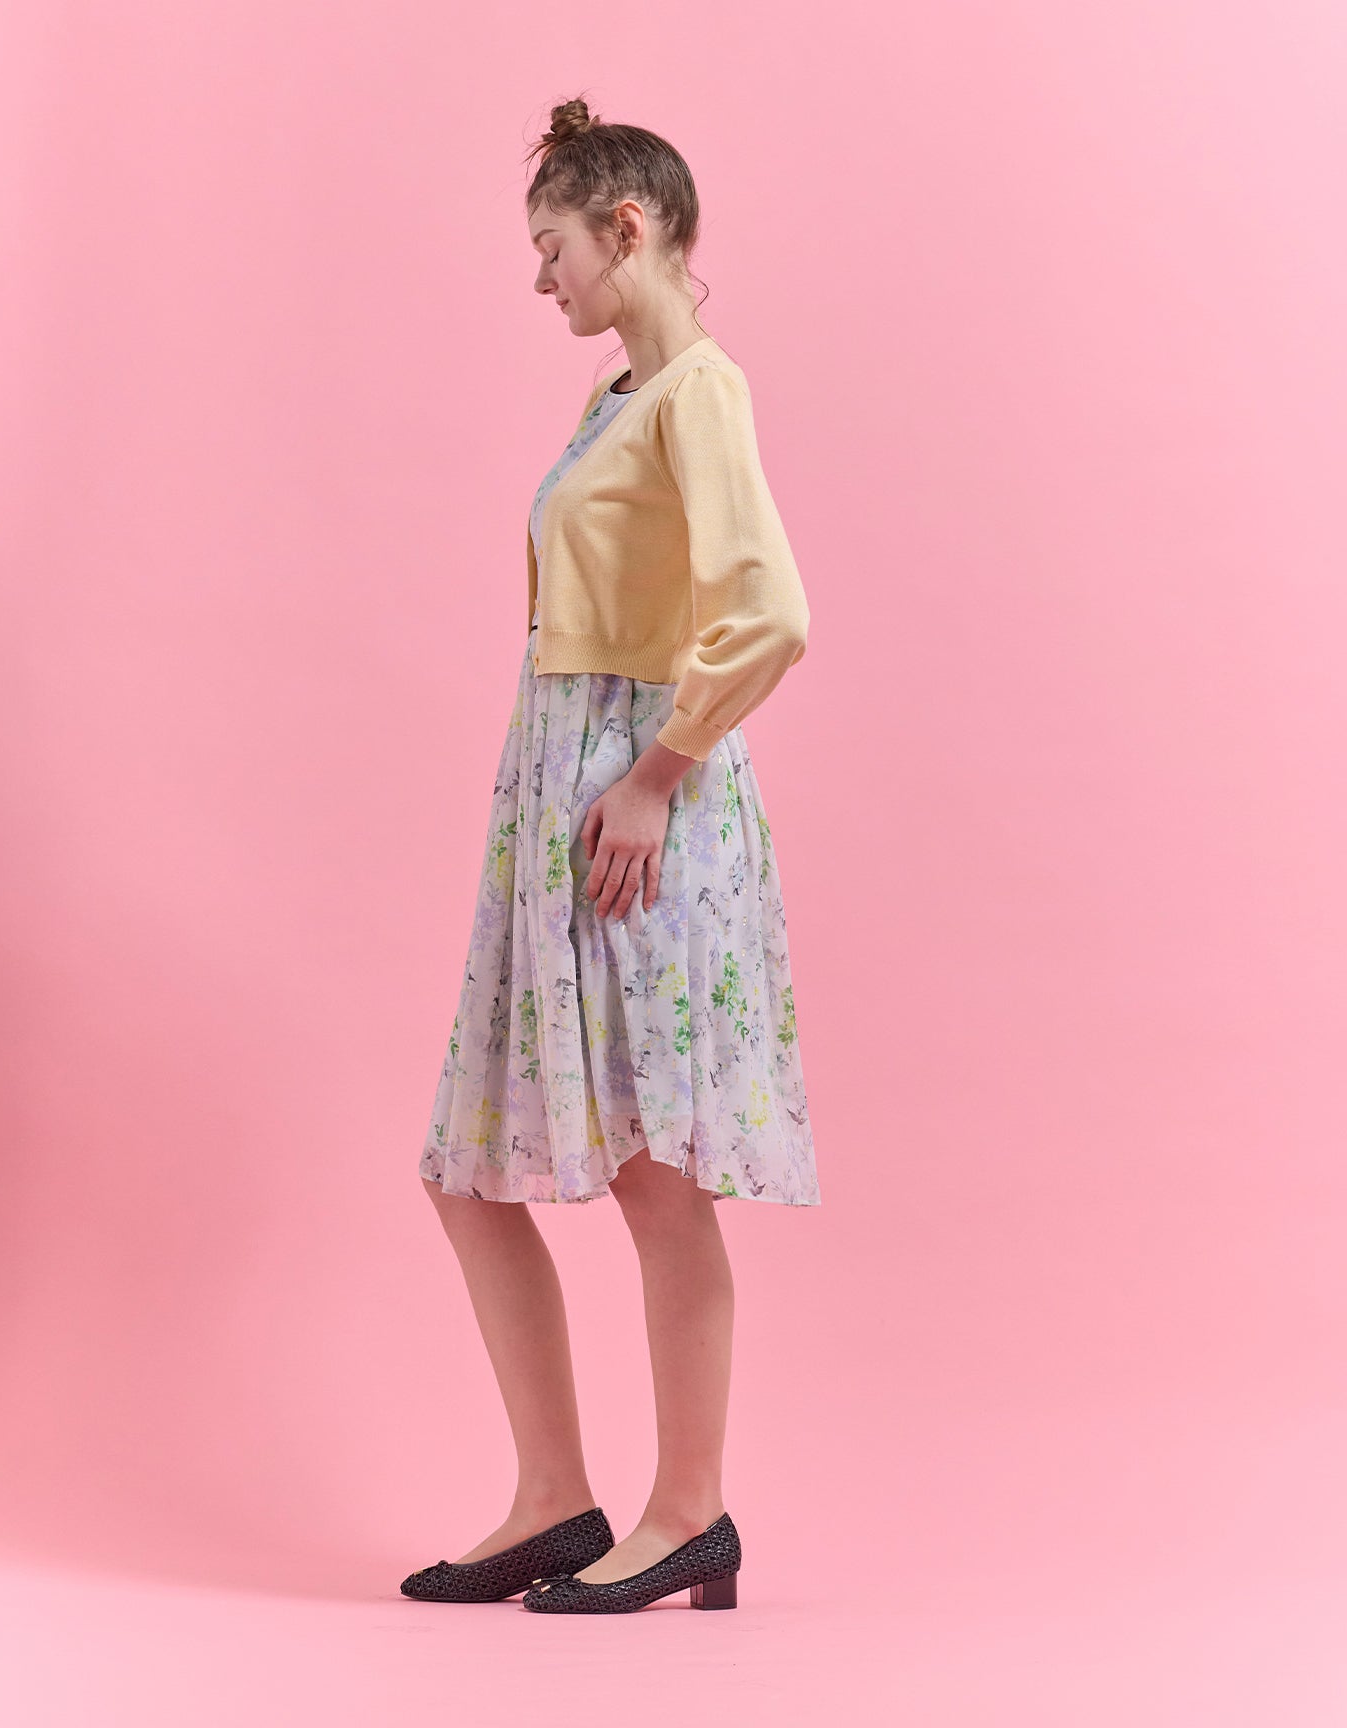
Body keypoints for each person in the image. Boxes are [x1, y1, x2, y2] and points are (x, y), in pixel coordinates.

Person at [402, 96, 819, 1616]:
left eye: (553, 246)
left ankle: (689, 1512)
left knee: (654, 1176)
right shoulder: (618, 398)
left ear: (624, 227)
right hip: (563, 804)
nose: (542, 278)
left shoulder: (699, 390)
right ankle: (554, 1500)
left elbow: (770, 613)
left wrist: (654, 776)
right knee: (469, 1169)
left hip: (639, 817)